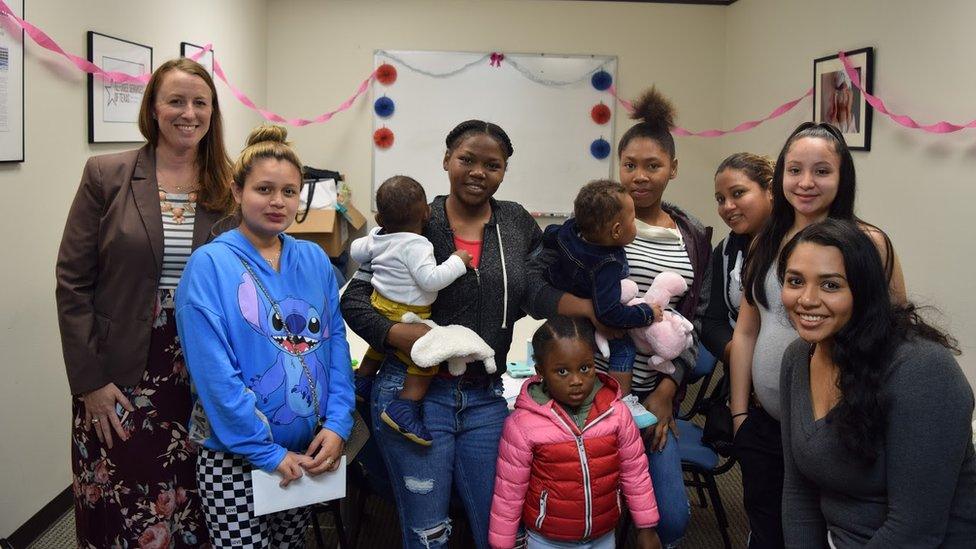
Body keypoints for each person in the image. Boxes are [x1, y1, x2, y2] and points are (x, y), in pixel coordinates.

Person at [340, 120, 560, 549]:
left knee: (501, 530)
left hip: (484, 397)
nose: (479, 172)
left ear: (504, 171)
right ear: (446, 161)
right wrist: (394, 334)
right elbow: (354, 300)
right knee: (428, 534)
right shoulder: (416, 218)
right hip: (415, 397)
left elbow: (537, 291)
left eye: (492, 165)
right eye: (467, 160)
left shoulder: (515, 222)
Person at [56, 57, 231, 547]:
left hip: (201, 363)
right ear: (153, 107)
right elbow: (72, 281)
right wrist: (90, 381)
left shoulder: (230, 184)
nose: (188, 113)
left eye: (200, 102)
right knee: (121, 495)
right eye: (175, 100)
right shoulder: (106, 175)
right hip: (121, 368)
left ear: (213, 112)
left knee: (196, 494)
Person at [531, 87, 712, 548]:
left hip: (652, 400)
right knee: (582, 513)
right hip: (583, 393)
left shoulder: (692, 235)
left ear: (673, 168)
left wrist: (670, 391)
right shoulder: (594, 224)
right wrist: (591, 310)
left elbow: (697, 322)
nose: (639, 176)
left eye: (653, 166)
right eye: (629, 164)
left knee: (669, 520)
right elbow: (536, 288)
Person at [728, 122, 906, 548]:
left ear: (843, 178)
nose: (806, 183)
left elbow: (897, 331)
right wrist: (739, 416)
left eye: (822, 171)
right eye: (794, 170)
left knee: (816, 530)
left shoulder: (868, 243)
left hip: (835, 429)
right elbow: (747, 329)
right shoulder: (765, 240)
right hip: (766, 423)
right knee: (768, 527)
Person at [175, 124, 354, 546]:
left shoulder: (313, 259)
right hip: (235, 457)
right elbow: (214, 374)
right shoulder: (209, 266)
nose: (278, 202)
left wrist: (340, 422)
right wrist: (265, 453)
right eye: (264, 189)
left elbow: (335, 346)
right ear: (237, 192)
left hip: (307, 453)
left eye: (289, 192)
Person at [777, 219, 976, 547]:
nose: (807, 299)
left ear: (863, 290)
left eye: (830, 285)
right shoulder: (797, 358)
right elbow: (798, 493)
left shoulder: (922, 369)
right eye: (795, 281)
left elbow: (914, 531)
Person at [489, 316, 662, 549]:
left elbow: (636, 473)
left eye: (585, 368)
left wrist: (647, 528)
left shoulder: (616, 413)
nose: (577, 381)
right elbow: (508, 491)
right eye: (562, 372)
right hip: (547, 540)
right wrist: (502, 544)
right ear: (540, 372)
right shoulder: (523, 425)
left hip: (603, 535)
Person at [350, 175, 473, 445]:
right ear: (427, 213)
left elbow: (356, 252)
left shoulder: (379, 237)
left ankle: (363, 380)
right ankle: (404, 406)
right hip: (406, 310)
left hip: (379, 303)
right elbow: (430, 280)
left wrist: (374, 236)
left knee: (381, 345)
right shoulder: (419, 245)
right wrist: (457, 261)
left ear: (380, 218)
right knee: (425, 360)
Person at [541, 179, 661, 427]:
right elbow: (609, 314)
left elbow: (551, 233)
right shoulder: (607, 264)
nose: (635, 223)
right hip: (588, 319)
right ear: (617, 231)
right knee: (624, 347)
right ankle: (623, 400)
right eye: (633, 218)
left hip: (564, 302)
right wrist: (646, 313)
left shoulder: (571, 230)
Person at [701, 153, 774, 364]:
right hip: (742, 372)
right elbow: (711, 320)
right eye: (720, 199)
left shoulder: (800, 244)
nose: (727, 206)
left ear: (770, 190)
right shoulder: (725, 251)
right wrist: (737, 355)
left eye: (738, 193)